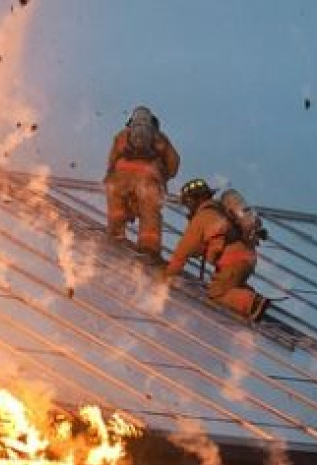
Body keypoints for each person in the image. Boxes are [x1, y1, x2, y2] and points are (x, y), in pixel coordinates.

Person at [162, 178, 269, 322]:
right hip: (247, 258)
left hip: (233, 261)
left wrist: (167, 276)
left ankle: (252, 303)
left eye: (188, 203)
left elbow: (182, 252)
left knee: (216, 293)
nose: (188, 208)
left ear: (194, 200)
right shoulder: (221, 211)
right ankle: (248, 299)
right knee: (229, 284)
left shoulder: (202, 216)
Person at [104, 105, 180, 264]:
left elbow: (112, 159)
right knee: (149, 213)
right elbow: (174, 163)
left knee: (117, 208)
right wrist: (163, 177)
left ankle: (115, 235)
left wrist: (111, 176)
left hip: (120, 177)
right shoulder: (160, 138)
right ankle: (149, 249)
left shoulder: (122, 136)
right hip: (148, 179)